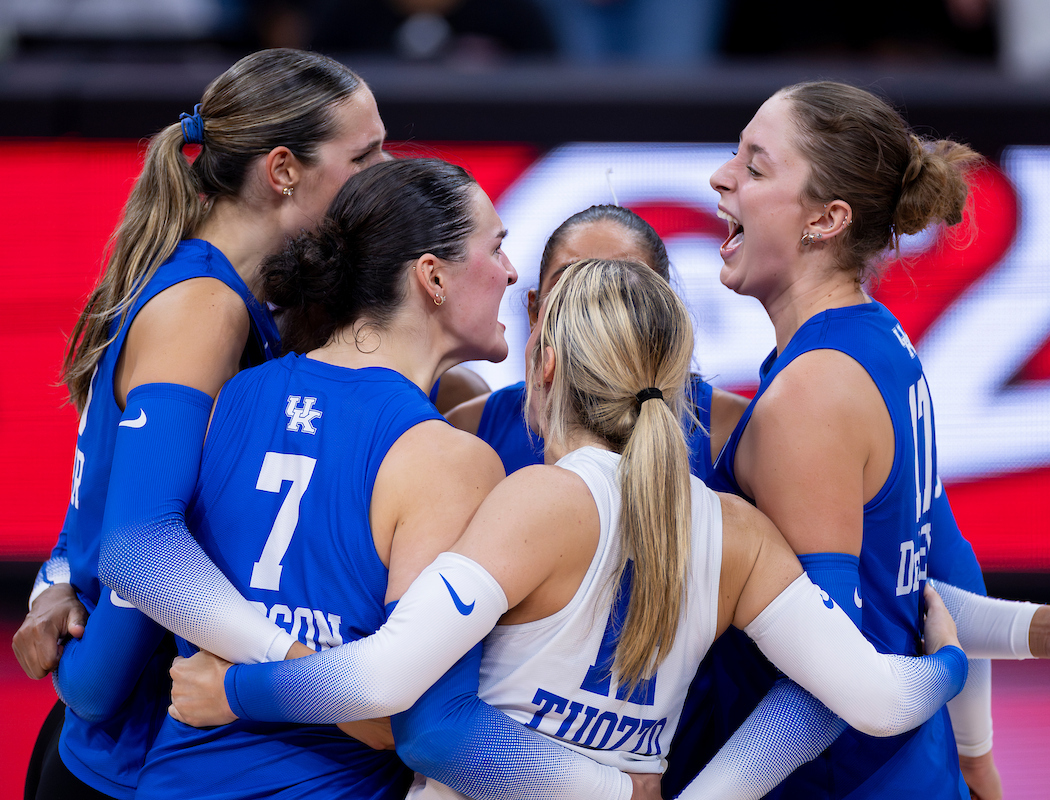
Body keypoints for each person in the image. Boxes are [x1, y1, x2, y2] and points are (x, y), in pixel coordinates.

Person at [166, 257, 973, 799]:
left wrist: (234, 690)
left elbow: (393, 692)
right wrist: (947, 662)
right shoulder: (739, 533)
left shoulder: (539, 502)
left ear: (546, 364)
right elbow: (871, 699)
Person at [58, 159, 672, 800]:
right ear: (433, 277)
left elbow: (106, 650)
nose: (513, 273)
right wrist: (618, 790)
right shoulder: (450, 460)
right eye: (497, 248)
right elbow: (414, 725)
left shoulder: (231, 393)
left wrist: (59, 591)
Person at [672, 80, 1050, 800]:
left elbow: (825, 683)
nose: (721, 176)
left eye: (755, 166)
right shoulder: (881, 343)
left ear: (825, 219)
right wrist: (1030, 658)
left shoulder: (811, 396)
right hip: (915, 771)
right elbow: (934, 577)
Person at [11, 48, 389, 800]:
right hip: (125, 763)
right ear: (283, 169)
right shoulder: (203, 307)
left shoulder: (240, 294)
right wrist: (300, 670)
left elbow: (106, 479)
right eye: (365, 155)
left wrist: (55, 581)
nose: (385, 172)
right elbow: (140, 549)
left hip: (141, 749)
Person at [446, 204, 748, 478]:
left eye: (625, 290)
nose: (592, 311)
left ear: (665, 315)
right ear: (534, 312)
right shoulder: (468, 428)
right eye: (568, 285)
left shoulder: (737, 428)